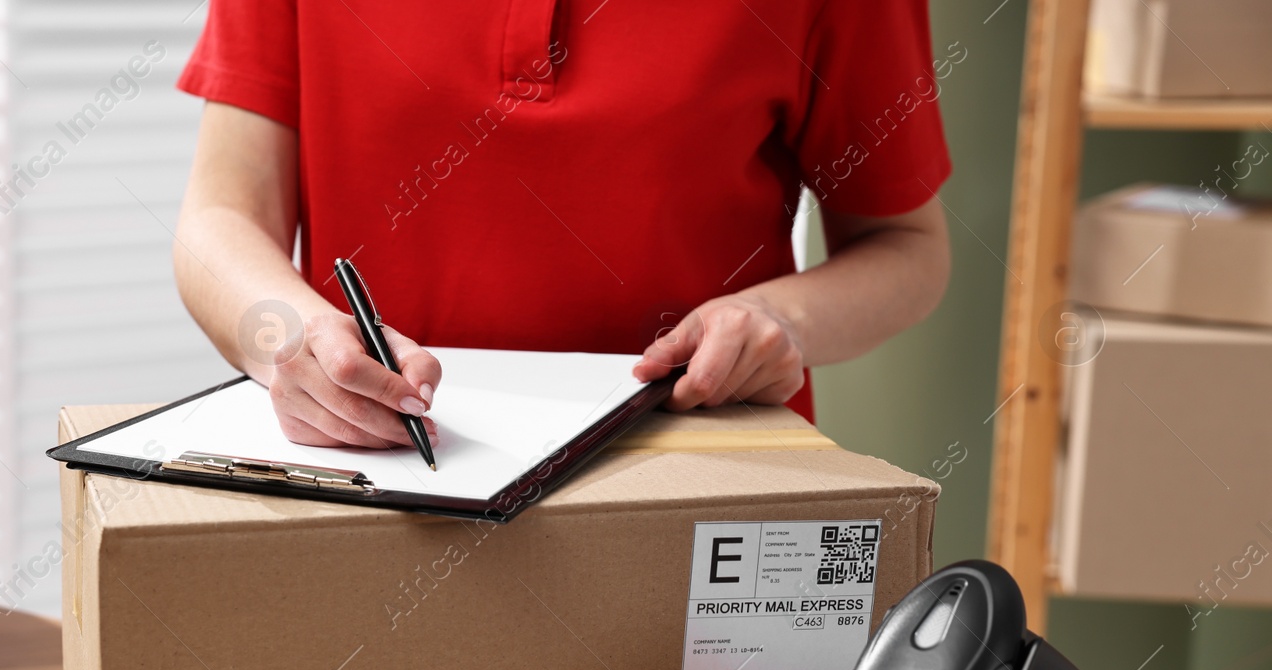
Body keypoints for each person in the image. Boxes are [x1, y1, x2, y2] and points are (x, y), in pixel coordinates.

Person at [173, 0, 953, 452]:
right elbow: (219, 218)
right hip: (386, 479)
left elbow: (907, 248)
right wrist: (294, 339)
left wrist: (781, 319)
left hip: (703, 503)